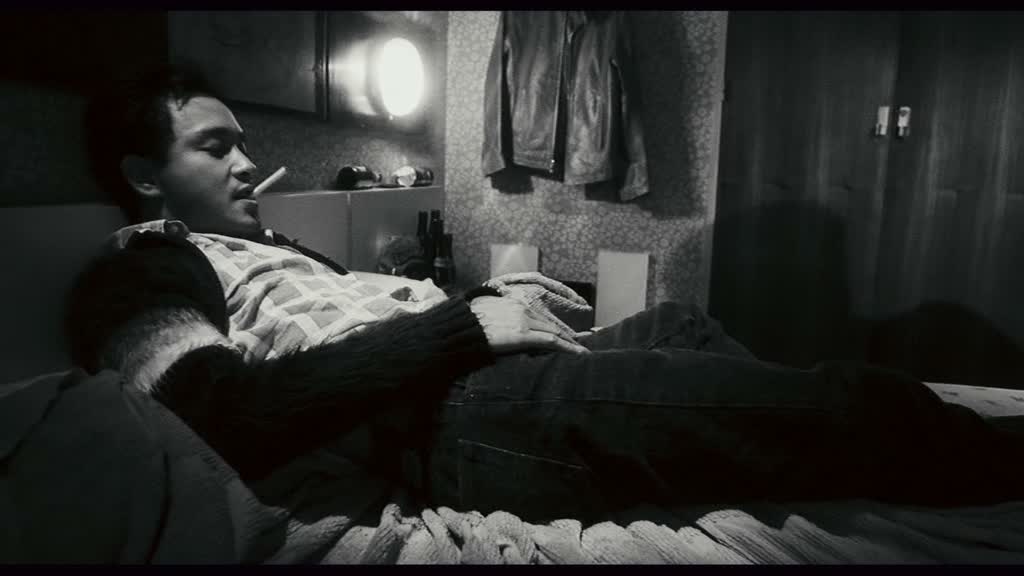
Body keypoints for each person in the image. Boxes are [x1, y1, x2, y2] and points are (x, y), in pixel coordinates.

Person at [69, 64, 1023, 523]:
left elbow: (366, 327)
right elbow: (217, 415)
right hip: (459, 415)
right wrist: (461, 328)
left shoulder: (270, 249)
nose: (247, 163)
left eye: (242, 142)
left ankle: (765, 442)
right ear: (144, 177)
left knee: (680, 321)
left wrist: (491, 299)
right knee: (846, 401)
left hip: (476, 374)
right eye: (216, 147)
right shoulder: (144, 265)